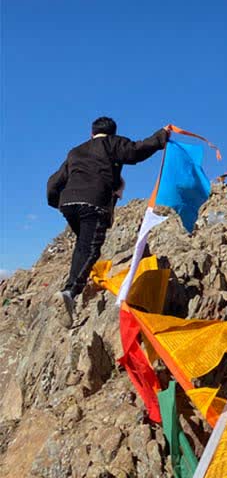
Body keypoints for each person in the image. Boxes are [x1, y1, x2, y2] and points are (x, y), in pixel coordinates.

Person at [47, 117, 169, 327]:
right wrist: (162, 136)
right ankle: (69, 292)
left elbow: (53, 182)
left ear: (91, 133)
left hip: (69, 203)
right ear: (111, 133)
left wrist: (57, 202)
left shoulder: (75, 151)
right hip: (94, 202)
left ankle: (72, 285)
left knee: (83, 245)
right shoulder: (112, 143)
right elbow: (136, 150)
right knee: (91, 249)